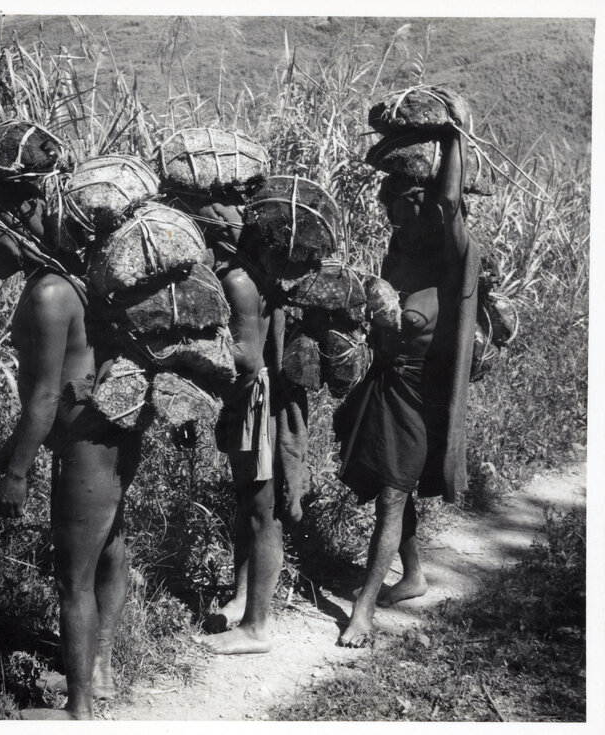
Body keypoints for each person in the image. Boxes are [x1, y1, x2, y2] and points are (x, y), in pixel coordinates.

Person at [0, 181, 141, 719]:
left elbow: (42, 399)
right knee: (109, 547)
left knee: (72, 577)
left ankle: (78, 711)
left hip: (85, 442)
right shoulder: (77, 278)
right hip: (110, 434)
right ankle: (99, 671)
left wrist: (16, 470)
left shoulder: (48, 293)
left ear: (16, 222)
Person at [333, 102, 480, 648]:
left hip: (424, 394)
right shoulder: (401, 258)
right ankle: (412, 576)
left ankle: (364, 610)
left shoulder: (457, 259)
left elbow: (448, 200)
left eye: (412, 206)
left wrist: (452, 135)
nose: (403, 217)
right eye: (396, 207)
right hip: (387, 385)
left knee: (394, 494)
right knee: (389, 488)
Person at [190, 196, 310, 655]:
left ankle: (257, 626)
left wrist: (194, 345)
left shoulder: (238, 279)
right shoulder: (247, 271)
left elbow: (246, 357)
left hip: (254, 403)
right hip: (251, 401)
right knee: (249, 503)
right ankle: (243, 600)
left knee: (263, 513)